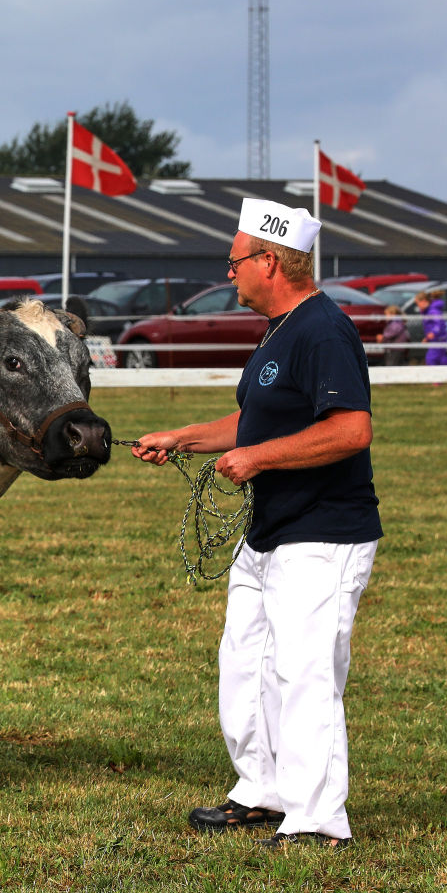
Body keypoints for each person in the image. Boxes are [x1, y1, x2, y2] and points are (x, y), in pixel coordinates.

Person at [133, 198, 380, 851]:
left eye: (236, 260)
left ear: (270, 261)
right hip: (270, 529)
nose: (230, 271)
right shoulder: (280, 330)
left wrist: (259, 458)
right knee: (245, 664)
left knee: (303, 673)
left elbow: (351, 430)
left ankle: (318, 821)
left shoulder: (324, 330)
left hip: (323, 533)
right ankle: (262, 791)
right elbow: (256, 421)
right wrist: (184, 438)